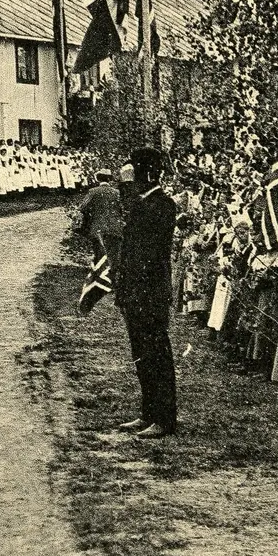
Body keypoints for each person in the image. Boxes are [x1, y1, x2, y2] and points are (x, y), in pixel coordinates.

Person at [114, 147, 178, 439]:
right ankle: (148, 412)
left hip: (151, 292)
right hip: (136, 292)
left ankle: (164, 418)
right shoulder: (143, 204)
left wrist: (127, 188)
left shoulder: (162, 205)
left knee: (156, 355)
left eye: (137, 175)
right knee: (141, 354)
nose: (133, 180)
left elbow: (147, 246)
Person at [76, 168, 123, 267]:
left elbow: (83, 208)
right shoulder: (117, 193)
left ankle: (99, 275)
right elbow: (122, 209)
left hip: (98, 227)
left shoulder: (93, 191)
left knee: (99, 252)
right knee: (113, 253)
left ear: (98, 179)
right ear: (109, 179)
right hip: (115, 227)